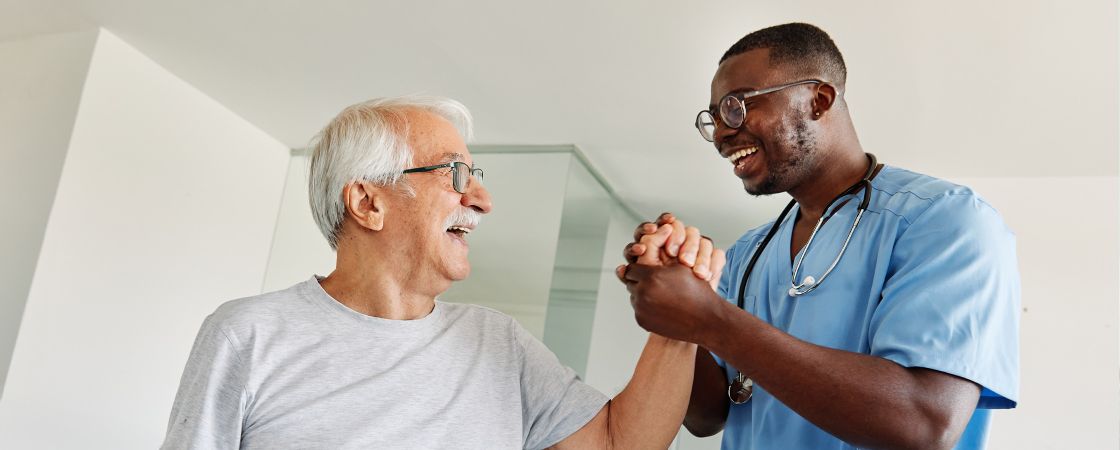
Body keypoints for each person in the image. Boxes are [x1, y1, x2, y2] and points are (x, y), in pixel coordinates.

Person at [161, 96, 724, 449]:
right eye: (455, 174)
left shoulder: (497, 343)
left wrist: (682, 318)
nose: (481, 198)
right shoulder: (248, 334)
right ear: (368, 203)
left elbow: (619, 443)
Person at [619, 23, 1020, 450]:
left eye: (736, 106)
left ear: (819, 100)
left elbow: (922, 423)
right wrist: (676, 314)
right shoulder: (747, 254)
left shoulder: (945, 220)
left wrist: (711, 320)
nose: (721, 133)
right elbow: (707, 416)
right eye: (713, 118)